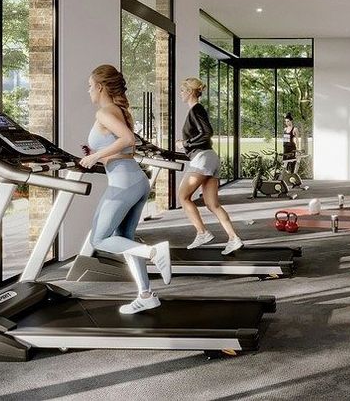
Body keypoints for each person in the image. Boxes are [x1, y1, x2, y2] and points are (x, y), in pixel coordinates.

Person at [79, 64, 173, 315]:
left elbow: (128, 140)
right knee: (125, 239)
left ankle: (153, 252)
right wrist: (98, 156)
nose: (89, 90)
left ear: (100, 87)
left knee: (99, 239)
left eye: (90, 86)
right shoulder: (119, 110)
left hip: (124, 183)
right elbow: (123, 146)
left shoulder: (104, 113)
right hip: (135, 180)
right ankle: (146, 295)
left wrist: (95, 156)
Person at [177, 77, 244, 254]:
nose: (180, 94)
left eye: (182, 90)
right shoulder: (196, 110)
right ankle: (234, 238)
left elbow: (207, 132)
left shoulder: (196, 109)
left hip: (203, 158)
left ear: (190, 92)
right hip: (210, 157)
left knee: (183, 197)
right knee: (212, 204)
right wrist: (187, 146)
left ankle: (202, 233)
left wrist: (185, 143)